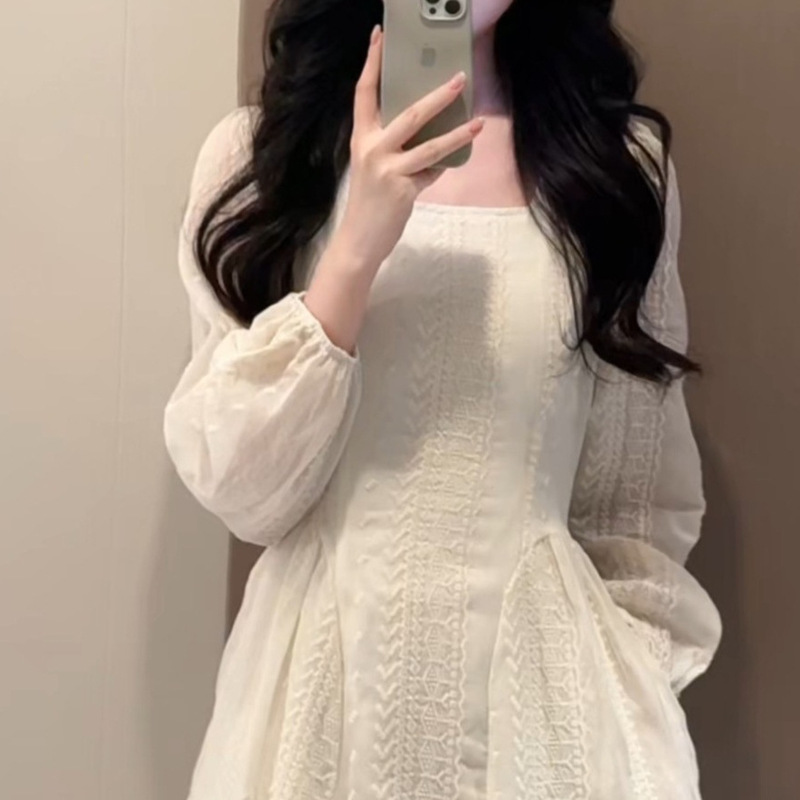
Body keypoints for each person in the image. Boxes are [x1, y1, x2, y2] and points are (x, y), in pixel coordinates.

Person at [163, 1, 723, 798]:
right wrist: (354, 249)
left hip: (550, 729)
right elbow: (241, 488)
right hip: (314, 718)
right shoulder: (261, 157)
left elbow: (632, 508)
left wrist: (626, 707)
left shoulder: (618, 168)